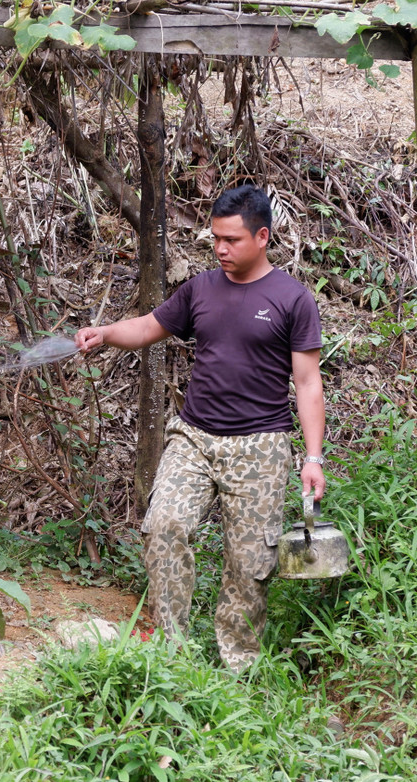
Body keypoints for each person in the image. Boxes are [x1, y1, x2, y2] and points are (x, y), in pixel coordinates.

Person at [74, 184, 326, 669]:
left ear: (263, 237)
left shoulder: (292, 300)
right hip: (194, 437)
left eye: (231, 239)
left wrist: (313, 459)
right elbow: (148, 327)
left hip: (261, 446)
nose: (220, 249)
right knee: (163, 525)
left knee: (248, 565)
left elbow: (308, 383)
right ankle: (174, 657)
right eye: (215, 238)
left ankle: (238, 670)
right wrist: (105, 333)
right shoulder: (201, 289)